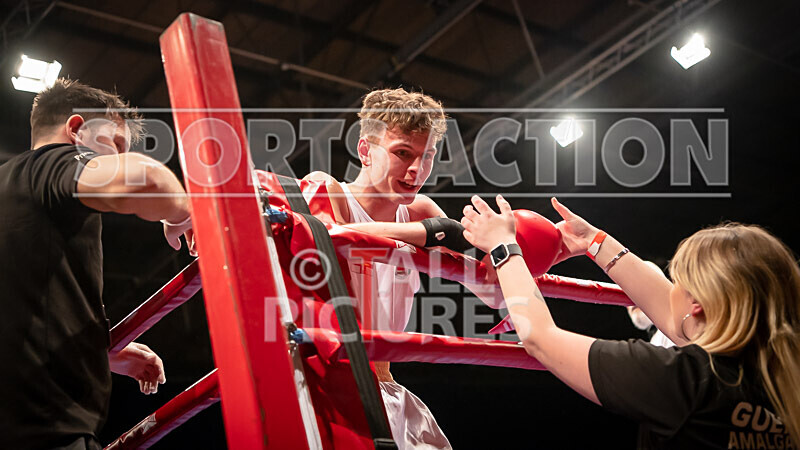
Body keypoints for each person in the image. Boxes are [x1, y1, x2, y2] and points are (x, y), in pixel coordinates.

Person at [459, 195, 798, 449]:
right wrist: (593, 242)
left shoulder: (684, 382)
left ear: (696, 304)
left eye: (676, 278)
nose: (670, 288)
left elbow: (541, 340)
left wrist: (504, 248)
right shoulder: (780, 379)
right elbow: (669, 311)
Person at [302, 87, 501, 449]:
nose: (416, 170)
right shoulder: (327, 189)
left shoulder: (421, 210)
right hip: (328, 386)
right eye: (402, 154)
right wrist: (424, 235)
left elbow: (491, 292)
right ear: (365, 151)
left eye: (426, 158)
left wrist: (522, 250)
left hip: (385, 385)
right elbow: (326, 235)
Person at [0, 79, 194, 449]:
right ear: (76, 130)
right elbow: (147, 181)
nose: (118, 158)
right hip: (44, 433)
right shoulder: (53, 163)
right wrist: (183, 210)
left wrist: (100, 351)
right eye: (115, 144)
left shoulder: (14, 193)